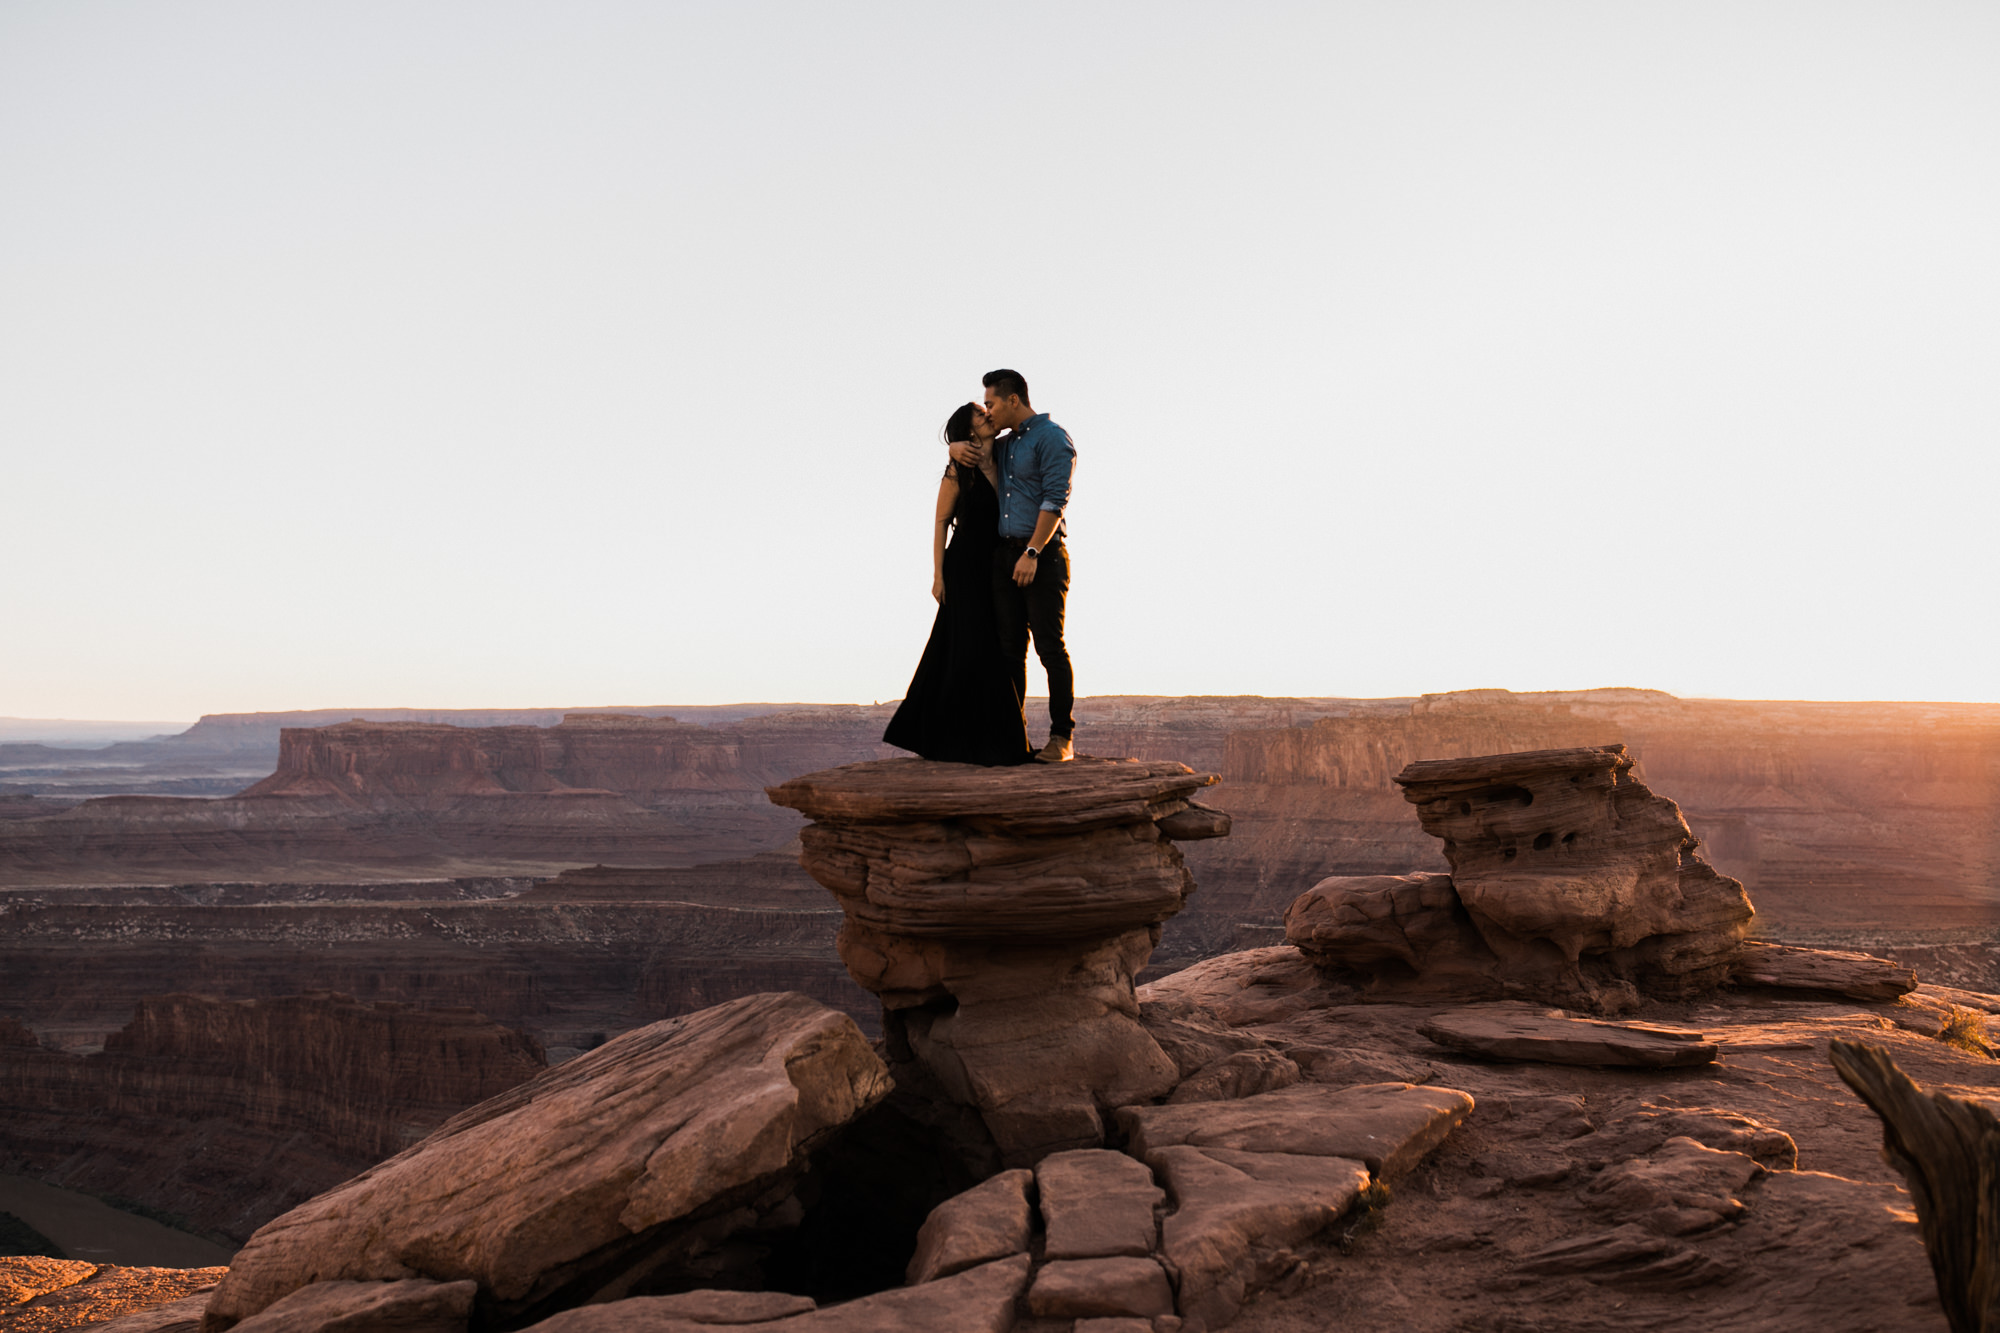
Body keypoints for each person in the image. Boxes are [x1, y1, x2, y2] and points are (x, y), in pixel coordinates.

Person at [882, 403, 1034, 766]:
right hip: (964, 566)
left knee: (998, 647)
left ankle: (998, 740)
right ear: (969, 431)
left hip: (998, 566)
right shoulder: (957, 470)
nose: (988, 417)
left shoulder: (1005, 454)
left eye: (987, 411)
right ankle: (956, 742)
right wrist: (938, 575)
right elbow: (940, 522)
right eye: (980, 416)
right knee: (965, 647)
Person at [950, 368, 1077, 763]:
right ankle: (1011, 735)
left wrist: (1033, 553)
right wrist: (953, 448)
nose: (987, 412)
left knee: (1049, 649)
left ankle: (1062, 739)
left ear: (1013, 400)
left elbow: (1054, 501)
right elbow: (974, 452)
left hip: (1041, 556)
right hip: (1004, 556)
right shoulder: (1005, 444)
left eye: (990, 403)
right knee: (1009, 650)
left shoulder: (1052, 439)